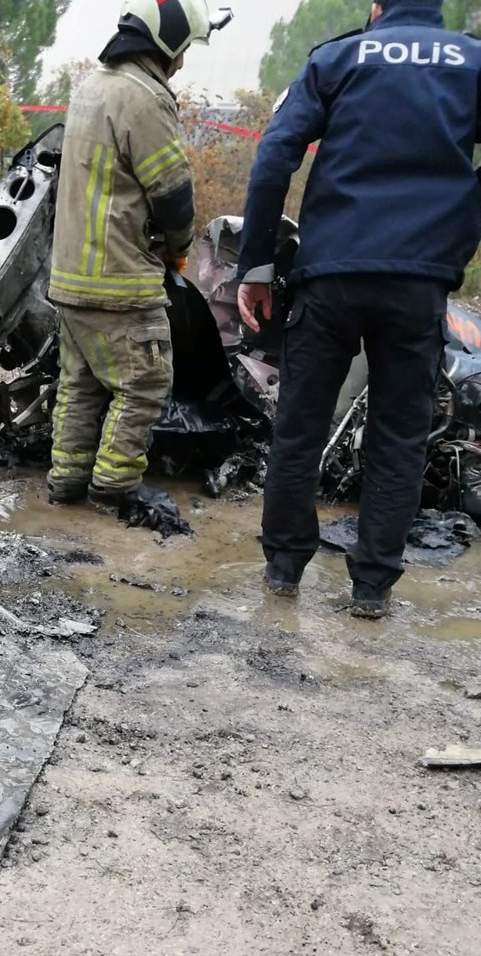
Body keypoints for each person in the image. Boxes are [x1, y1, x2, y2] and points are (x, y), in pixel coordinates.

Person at [238, 0, 481, 618]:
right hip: (418, 283)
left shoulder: (339, 57)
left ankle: (283, 570)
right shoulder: (471, 63)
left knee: (301, 424)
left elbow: (274, 156)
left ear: (377, 8)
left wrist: (258, 265)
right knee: (398, 438)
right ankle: (371, 588)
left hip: (331, 276)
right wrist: (457, 239)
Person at [47, 1, 227, 513]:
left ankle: (67, 486)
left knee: (80, 387)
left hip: (72, 278)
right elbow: (172, 193)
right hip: (120, 280)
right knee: (146, 385)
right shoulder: (144, 97)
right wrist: (178, 250)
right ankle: (114, 488)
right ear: (166, 42)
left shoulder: (92, 86)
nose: (184, 62)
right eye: (185, 49)